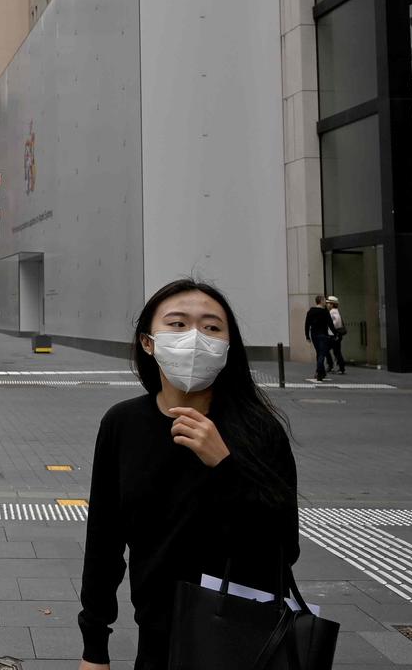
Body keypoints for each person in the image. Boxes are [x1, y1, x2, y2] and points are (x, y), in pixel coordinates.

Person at [77, 279, 299, 670]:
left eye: (212, 327)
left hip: (241, 638)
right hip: (156, 640)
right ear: (148, 342)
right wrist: (95, 647)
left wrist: (224, 465)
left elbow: (283, 546)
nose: (196, 338)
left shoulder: (259, 430)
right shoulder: (123, 424)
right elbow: (104, 543)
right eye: (178, 324)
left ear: (228, 346)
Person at [304, 294, 337, 382]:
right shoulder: (324, 312)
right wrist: (335, 334)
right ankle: (319, 372)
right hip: (323, 335)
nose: (325, 302)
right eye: (324, 300)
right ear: (321, 301)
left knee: (319, 353)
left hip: (314, 335)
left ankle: (321, 372)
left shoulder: (310, 311)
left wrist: (307, 336)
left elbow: (307, 324)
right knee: (322, 354)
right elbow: (330, 324)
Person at [326, 296, 347, 375]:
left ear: (332, 304)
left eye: (328, 303)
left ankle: (333, 366)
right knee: (336, 351)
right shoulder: (334, 311)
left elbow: (335, 323)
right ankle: (340, 367)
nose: (327, 305)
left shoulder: (333, 312)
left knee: (327, 350)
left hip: (334, 335)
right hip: (336, 335)